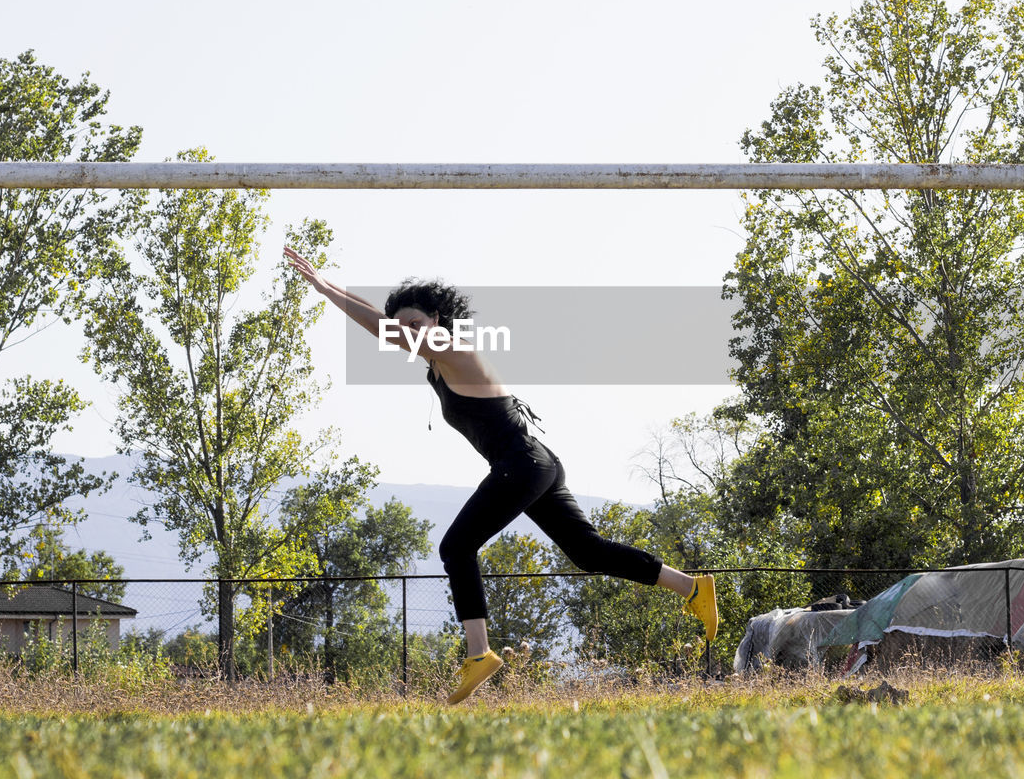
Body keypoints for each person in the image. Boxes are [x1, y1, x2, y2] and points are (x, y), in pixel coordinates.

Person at [283, 247, 717, 703]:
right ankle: (692, 587)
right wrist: (326, 284)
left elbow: (382, 329)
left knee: (456, 546)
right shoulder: (437, 362)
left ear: (436, 318)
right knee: (588, 553)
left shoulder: (452, 347)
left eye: (415, 324)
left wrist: (322, 288)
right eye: (403, 325)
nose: (408, 332)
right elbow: (382, 321)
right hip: (535, 463)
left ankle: (480, 653)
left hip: (523, 465)